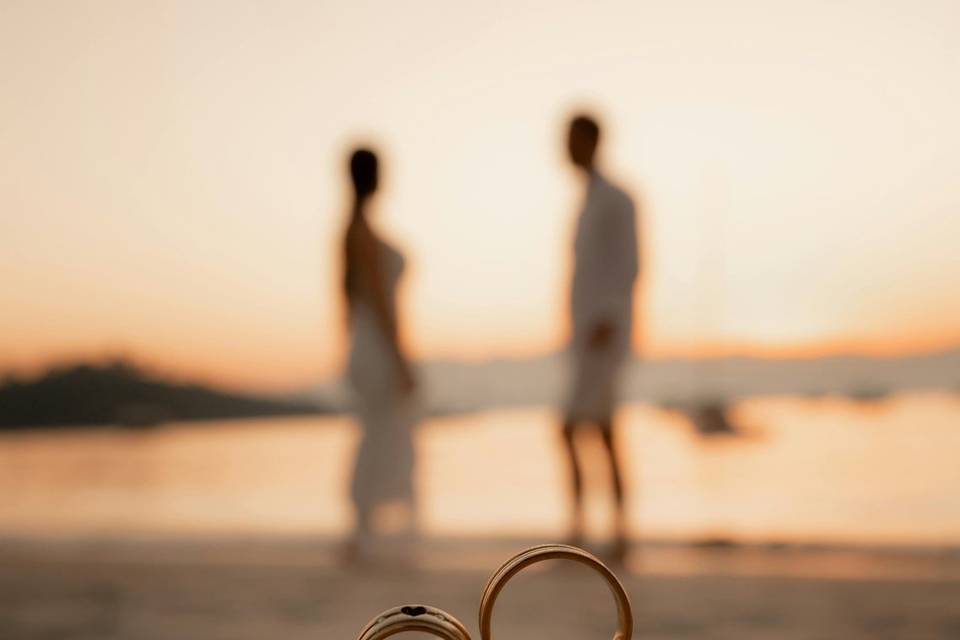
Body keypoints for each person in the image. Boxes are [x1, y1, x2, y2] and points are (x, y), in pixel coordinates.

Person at [560, 114, 640, 561]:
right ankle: (604, 531)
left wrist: (607, 320)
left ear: (592, 140)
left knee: (580, 428)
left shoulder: (616, 199)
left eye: (571, 139)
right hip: (586, 336)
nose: (564, 148)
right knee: (600, 432)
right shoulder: (588, 200)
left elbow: (628, 264)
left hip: (603, 337)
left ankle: (595, 531)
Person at [341, 147, 419, 560]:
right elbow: (379, 303)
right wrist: (401, 359)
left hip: (364, 344)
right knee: (381, 434)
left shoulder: (351, 228)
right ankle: (367, 533)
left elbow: (345, 302)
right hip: (377, 345)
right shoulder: (361, 231)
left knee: (376, 434)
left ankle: (364, 530)